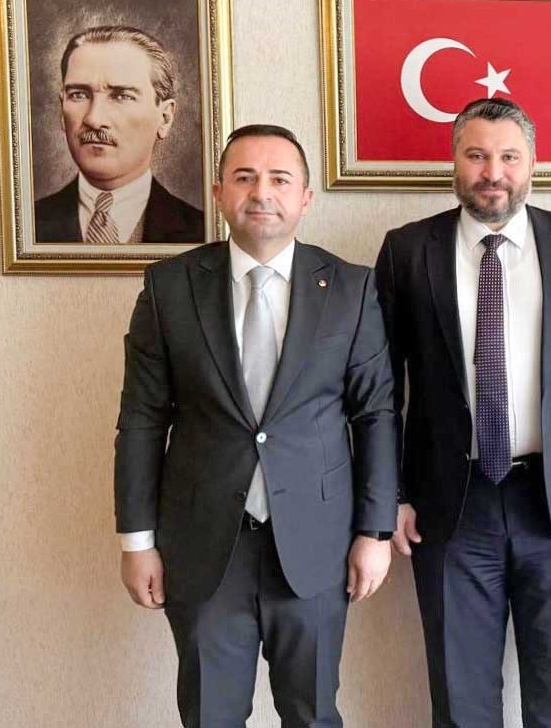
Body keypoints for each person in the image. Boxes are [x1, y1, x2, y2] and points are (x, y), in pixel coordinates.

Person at [114, 124, 397, 726]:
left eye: (279, 179)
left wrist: (374, 532)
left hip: (317, 545)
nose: (261, 192)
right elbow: (141, 420)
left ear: (305, 198)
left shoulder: (351, 288)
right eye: (244, 178)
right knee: (211, 715)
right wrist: (136, 542)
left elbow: (375, 414)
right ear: (219, 192)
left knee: (312, 713)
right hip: (204, 547)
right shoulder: (169, 287)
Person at [375, 98, 551, 727]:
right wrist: (392, 495)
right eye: (477, 155)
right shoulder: (407, 250)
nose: (493, 172)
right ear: (455, 161)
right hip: (448, 506)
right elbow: (380, 390)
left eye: (508, 157)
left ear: (532, 164)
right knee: (461, 701)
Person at [36, 25, 203, 244]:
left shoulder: (203, 233)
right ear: (61, 109)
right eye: (78, 95)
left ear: (165, 118)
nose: (94, 119)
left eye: (122, 96)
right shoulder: (27, 227)